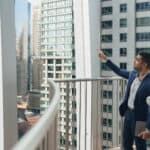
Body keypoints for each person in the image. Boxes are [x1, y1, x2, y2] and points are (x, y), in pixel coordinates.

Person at [98, 50, 150, 150]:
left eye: (137, 60)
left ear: (145, 64)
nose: (134, 61)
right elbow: (119, 71)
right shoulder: (133, 74)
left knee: (140, 144)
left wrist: (148, 127)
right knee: (126, 143)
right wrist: (105, 59)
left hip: (140, 118)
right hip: (128, 113)